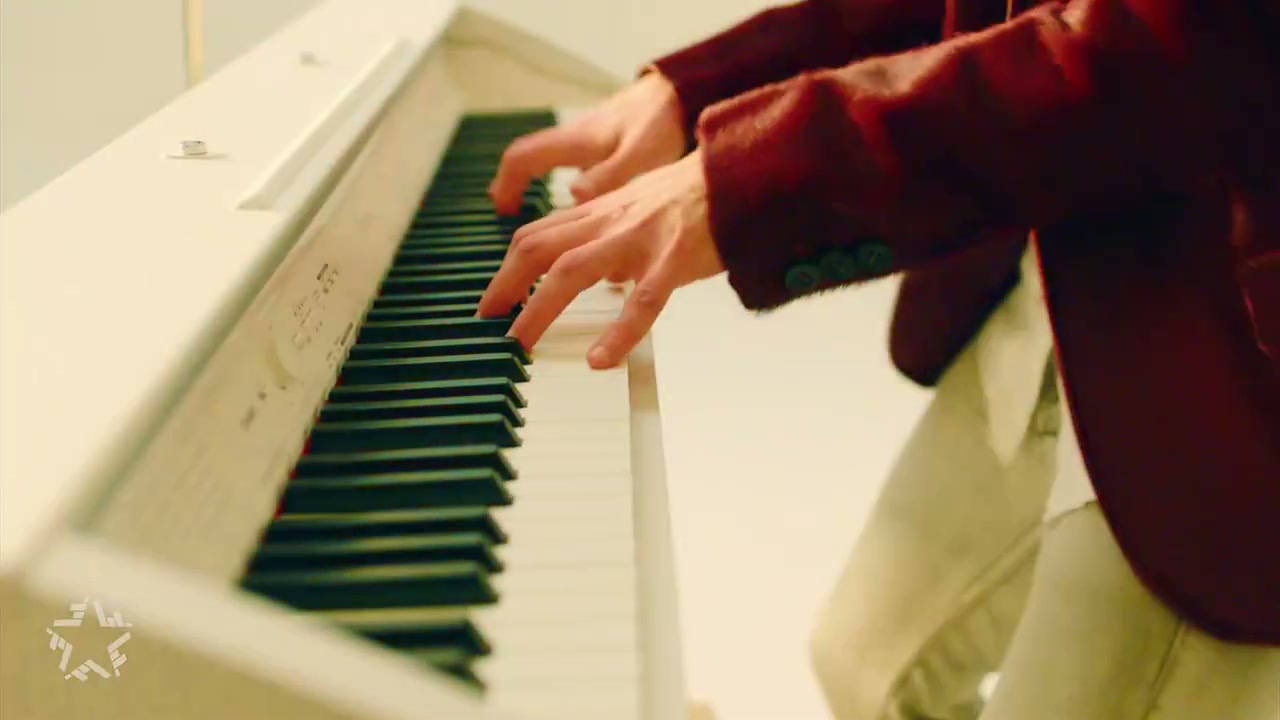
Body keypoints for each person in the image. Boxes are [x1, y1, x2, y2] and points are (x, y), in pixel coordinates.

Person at [477, 0, 1280, 717]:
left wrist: (753, 175)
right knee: (865, 665)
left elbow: (1149, 50)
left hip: (1224, 374)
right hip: (1058, 293)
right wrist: (694, 91)